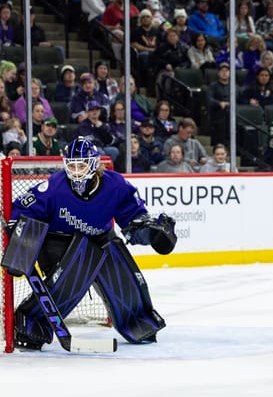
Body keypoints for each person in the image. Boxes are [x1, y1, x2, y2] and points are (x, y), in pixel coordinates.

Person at [10, 137, 175, 350]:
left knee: (113, 252)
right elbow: (21, 210)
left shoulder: (116, 185)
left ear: (95, 164)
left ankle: (137, 320)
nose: (76, 171)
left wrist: (150, 233)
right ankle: (32, 322)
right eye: (71, 165)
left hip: (99, 239)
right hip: (58, 244)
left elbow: (133, 218)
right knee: (80, 261)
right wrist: (20, 238)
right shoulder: (53, 187)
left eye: (81, 165)